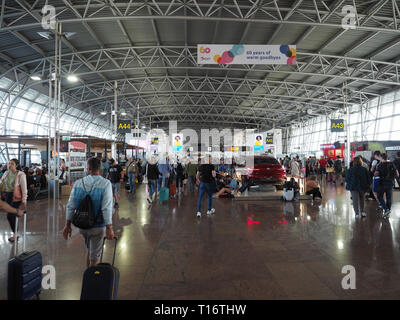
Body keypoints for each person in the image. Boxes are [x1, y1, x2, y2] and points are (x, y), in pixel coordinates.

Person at [63, 157, 114, 267]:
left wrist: (67, 225)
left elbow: (70, 205)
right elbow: (106, 208)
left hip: (82, 226)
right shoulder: (106, 184)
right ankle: (92, 282)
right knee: (95, 258)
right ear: (100, 168)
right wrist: (109, 228)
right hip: (97, 227)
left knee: (90, 251)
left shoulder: (78, 183)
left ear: (88, 168)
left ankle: (88, 276)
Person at [0, 159, 27, 242]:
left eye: (12, 164)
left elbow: (24, 189)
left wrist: (24, 201)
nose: (9, 165)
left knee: (10, 215)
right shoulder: (6, 173)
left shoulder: (21, 174)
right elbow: (1, 182)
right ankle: (15, 233)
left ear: (16, 165)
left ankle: (16, 234)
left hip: (16, 197)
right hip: (7, 196)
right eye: (9, 163)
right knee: (11, 215)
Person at [374, 153, 399, 218]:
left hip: (382, 183)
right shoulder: (392, 164)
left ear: (381, 158)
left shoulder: (379, 165)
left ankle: (386, 209)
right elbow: (397, 174)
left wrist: (375, 175)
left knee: (379, 197)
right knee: (389, 198)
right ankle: (388, 212)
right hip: (390, 183)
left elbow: (376, 174)